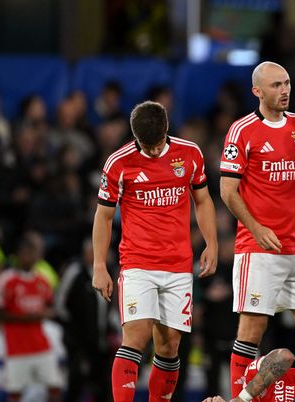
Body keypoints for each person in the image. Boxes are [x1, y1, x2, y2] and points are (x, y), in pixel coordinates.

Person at [92, 100, 218, 402]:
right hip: (138, 264)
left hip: (178, 265)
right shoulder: (119, 163)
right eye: (144, 146)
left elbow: (202, 200)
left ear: (167, 130)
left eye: (156, 144)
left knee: (170, 346)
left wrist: (211, 242)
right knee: (135, 336)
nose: (150, 151)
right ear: (135, 136)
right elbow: (104, 216)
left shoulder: (189, 154)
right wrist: (99, 264)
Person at [219, 61, 295, 397]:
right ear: (257, 91)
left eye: (287, 83)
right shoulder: (242, 131)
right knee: (252, 329)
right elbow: (227, 191)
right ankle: (241, 398)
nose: (285, 91)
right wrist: (256, 227)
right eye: (276, 85)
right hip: (257, 247)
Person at [0, 232, 63, 402]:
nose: (31, 256)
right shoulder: (6, 280)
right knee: (15, 393)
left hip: (41, 345)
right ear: (19, 254)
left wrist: (45, 314)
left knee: (55, 388)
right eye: (27, 252)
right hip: (17, 347)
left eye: (34, 252)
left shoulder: (42, 281)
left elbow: (50, 308)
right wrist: (27, 318)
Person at [55, 239, 112, 402]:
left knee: (102, 387)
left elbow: (109, 307)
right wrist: (73, 332)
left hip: (100, 343)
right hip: (78, 343)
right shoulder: (75, 271)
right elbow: (60, 305)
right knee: (76, 384)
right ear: (86, 253)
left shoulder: (108, 272)